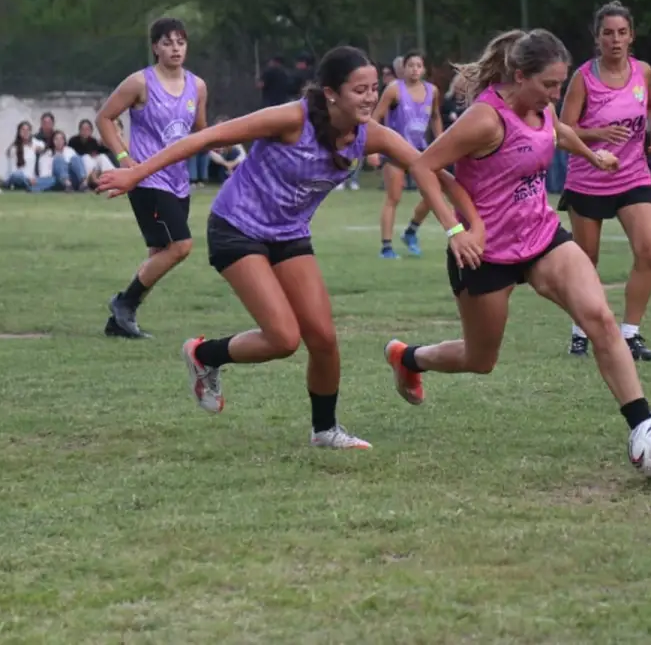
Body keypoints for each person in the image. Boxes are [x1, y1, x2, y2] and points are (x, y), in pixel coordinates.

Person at [97, 46, 481, 448]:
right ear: (331, 93)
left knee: (324, 339)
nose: (370, 97)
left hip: (289, 234)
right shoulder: (292, 119)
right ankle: (204, 355)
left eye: (374, 88)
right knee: (283, 339)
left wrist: (467, 223)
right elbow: (208, 137)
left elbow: (427, 167)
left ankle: (325, 431)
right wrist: (136, 172)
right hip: (236, 227)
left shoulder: (372, 135)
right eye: (359, 90)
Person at [382, 28, 651, 454]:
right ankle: (408, 358)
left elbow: (559, 131)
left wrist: (592, 156)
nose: (555, 95)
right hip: (486, 252)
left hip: (542, 236)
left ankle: (644, 427)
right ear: (519, 76)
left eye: (559, 84)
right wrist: (455, 230)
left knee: (601, 320)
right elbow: (425, 167)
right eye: (548, 85)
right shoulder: (485, 118)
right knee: (480, 360)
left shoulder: (543, 110)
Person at [557, 1, 651, 361]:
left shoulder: (643, 72)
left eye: (622, 33)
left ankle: (631, 334)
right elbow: (563, 130)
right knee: (586, 260)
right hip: (589, 178)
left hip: (633, 174)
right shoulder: (584, 78)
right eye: (608, 33)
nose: (615, 40)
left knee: (648, 251)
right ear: (597, 38)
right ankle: (579, 329)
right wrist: (599, 132)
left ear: (631, 36)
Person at [96, 17, 208, 338]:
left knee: (160, 254)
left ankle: (121, 321)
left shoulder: (197, 86)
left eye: (181, 42)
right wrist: (124, 159)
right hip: (146, 179)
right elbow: (104, 118)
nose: (175, 48)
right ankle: (123, 303)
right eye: (168, 42)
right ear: (155, 47)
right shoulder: (139, 83)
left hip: (178, 180)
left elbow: (200, 130)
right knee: (181, 245)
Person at [372, 50, 444, 257]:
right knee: (393, 197)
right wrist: (374, 149)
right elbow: (376, 117)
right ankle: (386, 247)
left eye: (418, 66)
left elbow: (436, 117)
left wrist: (441, 142)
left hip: (421, 151)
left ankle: (411, 231)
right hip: (395, 151)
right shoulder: (394, 90)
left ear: (424, 69)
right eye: (410, 65)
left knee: (433, 195)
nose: (414, 69)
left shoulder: (433, 91)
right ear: (403, 68)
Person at [69, 119, 114, 189]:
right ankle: (86, 182)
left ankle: (112, 178)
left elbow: (102, 152)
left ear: (91, 131)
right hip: (81, 166)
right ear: (79, 130)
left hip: (93, 165)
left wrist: (103, 144)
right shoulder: (73, 141)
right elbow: (72, 155)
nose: (85, 132)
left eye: (87, 129)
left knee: (102, 157)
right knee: (86, 157)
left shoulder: (93, 141)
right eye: (83, 129)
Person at [1, 121, 42, 190]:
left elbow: (43, 145)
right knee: (18, 175)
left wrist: (40, 148)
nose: (25, 132)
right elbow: (14, 170)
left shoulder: (34, 143)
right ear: (19, 132)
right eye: (23, 130)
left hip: (32, 178)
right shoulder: (14, 148)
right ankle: (29, 185)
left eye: (27, 130)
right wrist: (28, 178)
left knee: (51, 179)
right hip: (16, 177)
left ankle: (30, 185)